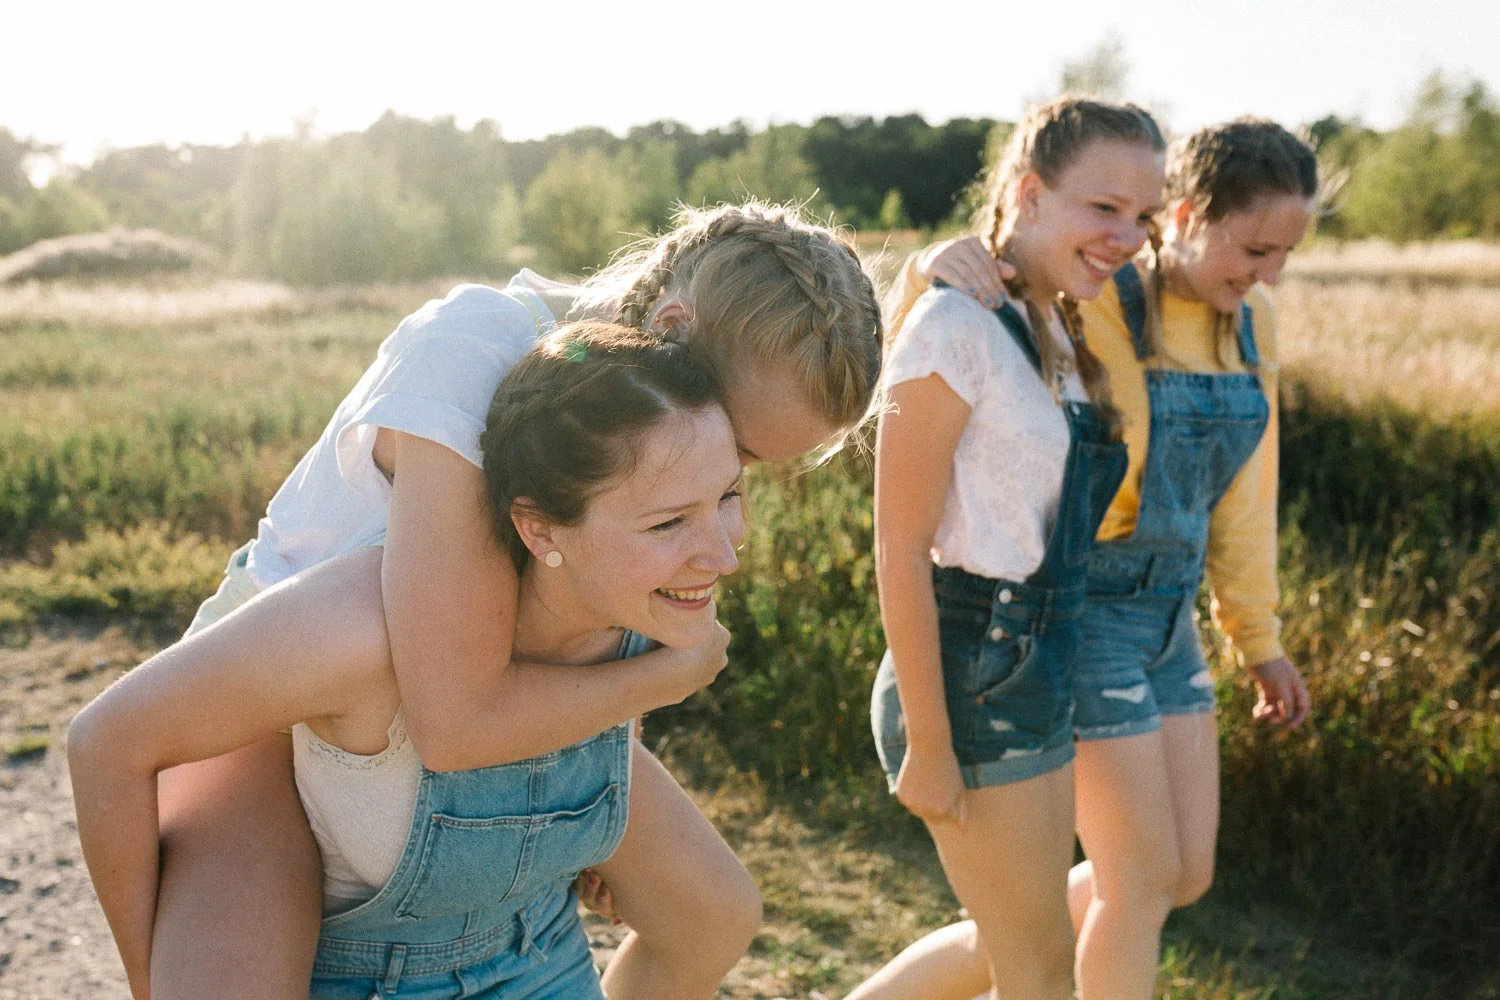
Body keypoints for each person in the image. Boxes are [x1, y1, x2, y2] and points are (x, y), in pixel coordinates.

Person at [131, 201, 884, 1000]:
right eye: (740, 448)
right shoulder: (470, 356)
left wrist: (579, 808)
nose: (724, 484)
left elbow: (593, 604)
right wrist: (664, 680)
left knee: (716, 913)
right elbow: (455, 714)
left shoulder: (642, 397)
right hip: (270, 705)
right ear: (671, 323)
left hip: (451, 686)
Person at [70, 323, 747, 1000]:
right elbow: (106, 739)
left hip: (535, 953)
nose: (723, 556)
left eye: (728, 497)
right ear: (539, 530)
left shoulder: (643, 607)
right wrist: (154, 977)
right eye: (668, 524)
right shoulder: (359, 629)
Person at [848, 117, 1316, 1000]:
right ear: (1188, 216)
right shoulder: (1097, 293)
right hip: (1076, 607)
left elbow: (1250, 497)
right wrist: (924, 265)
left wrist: (1258, 636)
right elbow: (977, 304)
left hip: (1162, 618)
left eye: (1286, 253)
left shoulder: (1252, 323)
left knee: (1172, 878)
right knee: (1120, 894)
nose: (1267, 272)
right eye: (1253, 247)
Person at [861, 97, 1165, 1000]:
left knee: (1009, 955)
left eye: (1144, 216)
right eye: (1104, 208)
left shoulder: (1063, 326)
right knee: (1039, 973)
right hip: (969, 675)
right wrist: (929, 739)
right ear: (1030, 193)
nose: (1129, 236)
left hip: (1034, 663)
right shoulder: (956, 326)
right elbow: (898, 545)